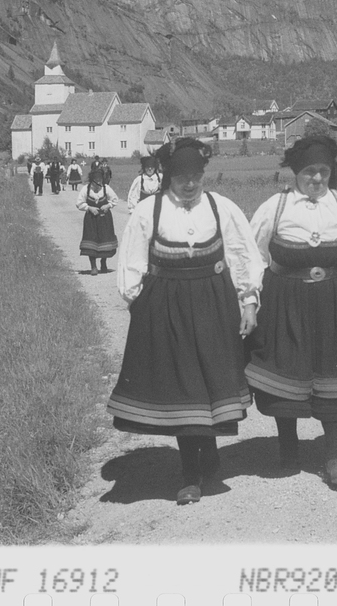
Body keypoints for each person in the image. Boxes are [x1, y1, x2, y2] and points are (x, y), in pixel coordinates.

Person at [107, 139, 265, 504]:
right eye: (182, 177)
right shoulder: (150, 211)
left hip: (215, 305)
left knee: (208, 380)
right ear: (168, 176)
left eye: (196, 176)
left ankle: (207, 449)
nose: (190, 184)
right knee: (182, 387)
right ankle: (190, 473)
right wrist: (142, 309)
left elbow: (244, 255)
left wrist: (249, 302)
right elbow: (131, 263)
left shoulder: (220, 207)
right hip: (167, 307)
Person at [244, 134, 337, 489]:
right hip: (284, 300)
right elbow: (254, 255)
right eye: (310, 171)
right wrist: (250, 297)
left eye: (324, 171)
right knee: (284, 372)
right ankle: (288, 447)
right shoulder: (274, 208)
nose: (317, 179)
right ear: (296, 172)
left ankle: (336, 456)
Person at [77, 169, 119, 274]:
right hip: (91, 219)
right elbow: (79, 203)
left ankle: (103, 262)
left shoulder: (106, 188)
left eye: (100, 179)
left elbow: (115, 200)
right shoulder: (86, 189)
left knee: (105, 240)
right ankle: (93, 266)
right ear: (92, 180)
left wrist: (108, 205)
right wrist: (89, 208)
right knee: (91, 240)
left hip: (105, 219)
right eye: (96, 180)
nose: (98, 182)